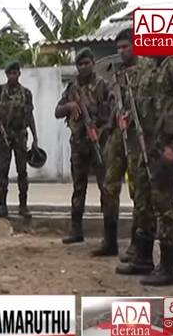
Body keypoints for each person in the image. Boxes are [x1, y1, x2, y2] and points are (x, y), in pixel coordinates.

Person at [117, 53, 173, 286]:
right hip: (146, 144)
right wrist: (129, 117)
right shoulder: (149, 67)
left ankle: (168, 267)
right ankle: (142, 257)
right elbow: (143, 102)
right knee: (143, 200)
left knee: (163, 205)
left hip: (165, 144)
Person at [101, 29, 155, 259]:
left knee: (139, 192)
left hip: (138, 136)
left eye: (126, 46)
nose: (122, 52)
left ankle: (136, 244)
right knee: (109, 187)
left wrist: (134, 115)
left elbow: (153, 101)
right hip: (118, 135)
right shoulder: (117, 74)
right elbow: (113, 102)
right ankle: (109, 240)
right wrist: (115, 114)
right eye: (119, 48)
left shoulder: (147, 69)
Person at [54, 48, 111, 247]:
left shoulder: (103, 85)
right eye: (80, 64)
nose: (84, 67)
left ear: (93, 62)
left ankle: (109, 236)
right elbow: (57, 111)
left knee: (106, 188)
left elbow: (112, 113)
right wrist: (69, 107)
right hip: (78, 143)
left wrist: (100, 128)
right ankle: (76, 231)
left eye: (87, 63)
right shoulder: (72, 88)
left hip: (99, 142)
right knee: (79, 188)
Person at [0, 61, 39, 219]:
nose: (12, 76)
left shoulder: (26, 93)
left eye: (15, 73)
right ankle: (2, 206)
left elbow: (29, 116)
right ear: (6, 75)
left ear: (19, 74)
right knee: (3, 171)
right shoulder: (0, 91)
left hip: (20, 136)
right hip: (3, 136)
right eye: (10, 73)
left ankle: (23, 206)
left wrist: (35, 137)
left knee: (22, 172)